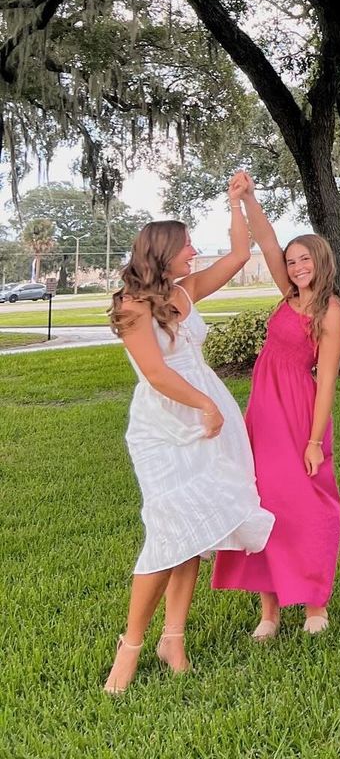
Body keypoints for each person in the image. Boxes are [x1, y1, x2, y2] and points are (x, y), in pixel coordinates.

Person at [104, 178, 274, 694]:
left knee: (194, 531)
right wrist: (205, 405)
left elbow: (240, 253)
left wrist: (236, 202)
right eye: (186, 245)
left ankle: (172, 639)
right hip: (165, 427)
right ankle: (130, 648)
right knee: (168, 530)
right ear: (163, 253)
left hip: (208, 420)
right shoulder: (132, 306)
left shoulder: (185, 291)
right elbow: (156, 373)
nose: (195, 251)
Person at [212, 175, 340, 638]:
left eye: (304, 259)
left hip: (300, 416)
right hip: (263, 416)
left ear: (321, 261)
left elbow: (326, 381)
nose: (296, 267)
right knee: (265, 504)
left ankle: (315, 605)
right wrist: (249, 199)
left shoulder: (330, 311)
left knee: (309, 507)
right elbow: (268, 241)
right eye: (292, 262)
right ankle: (268, 611)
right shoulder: (289, 296)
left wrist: (314, 441)